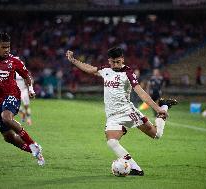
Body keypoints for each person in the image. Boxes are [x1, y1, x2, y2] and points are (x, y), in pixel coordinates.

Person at [65, 47, 177, 176]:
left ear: (122, 59)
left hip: (128, 112)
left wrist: (157, 108)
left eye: (118, 61)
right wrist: (73, 60)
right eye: (113, 62)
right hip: (112, 116)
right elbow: (90, 69)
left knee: (156, 135)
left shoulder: (128, 73)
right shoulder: (105, 69)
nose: (116, 65)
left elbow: (141, 93)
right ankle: (135, 168)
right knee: (112, 142)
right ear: (109, 61)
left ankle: (164, 106)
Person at [0, 33, 45, 166]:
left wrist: (31, 89)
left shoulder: (15, 61)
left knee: (6, 117)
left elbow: (27, 77)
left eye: (8, 47)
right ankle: (36, 152)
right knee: (9, 138)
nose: (7, 50)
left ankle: (32, 144)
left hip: (12, 95)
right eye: (4, 47)